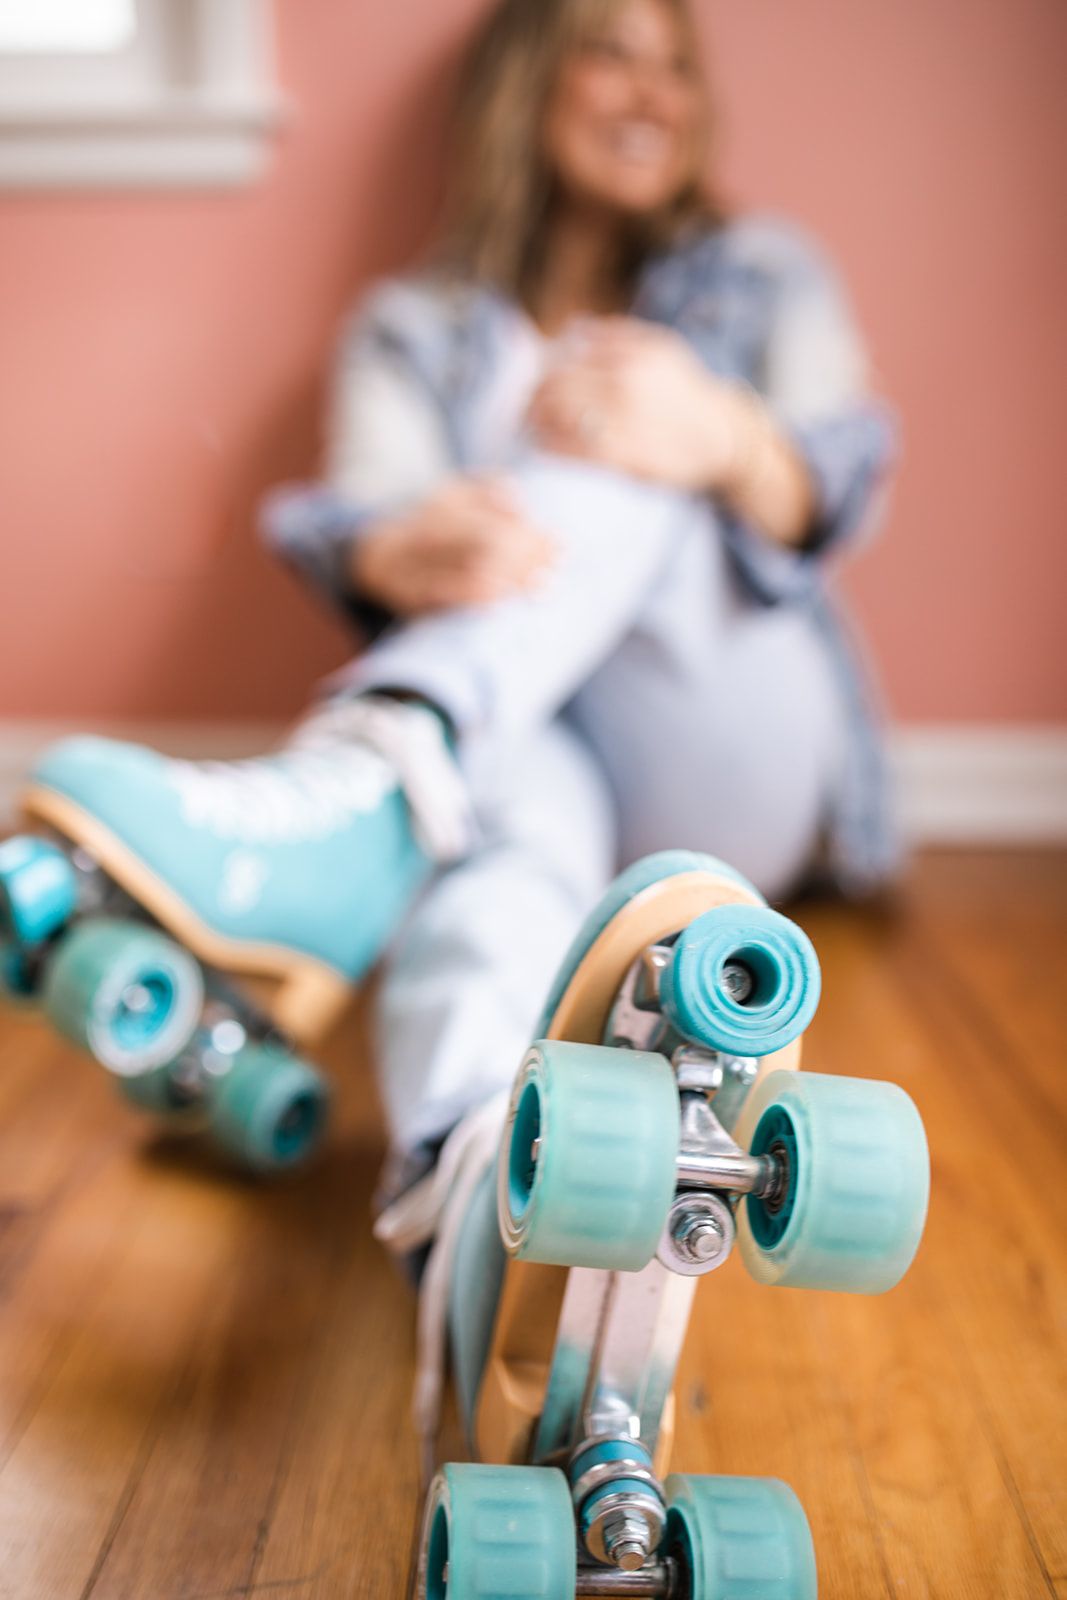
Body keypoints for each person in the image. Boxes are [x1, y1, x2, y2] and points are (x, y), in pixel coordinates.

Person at [31, 0, 896, 1223]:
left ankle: (371, 780)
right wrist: (401, 546)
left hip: (728, 744)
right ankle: (468, 1169)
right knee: (492, 817)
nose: (653, 95)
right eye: (610, 53)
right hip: (524, 758)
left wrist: (716, 433)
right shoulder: (411, 327)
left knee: (622, 417)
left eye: (676, 69)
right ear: (525, 81)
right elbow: (360, 523)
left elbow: (834, 478)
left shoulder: (767, 272)